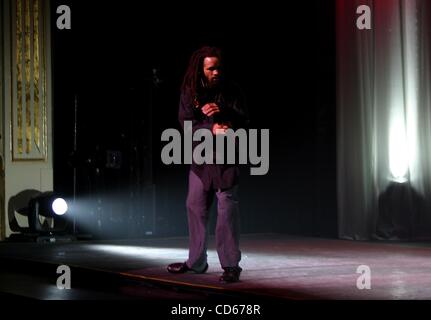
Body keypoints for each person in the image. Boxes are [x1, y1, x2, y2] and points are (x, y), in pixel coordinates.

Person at [167, 46, 249, 283]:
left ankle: (231, 265)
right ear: (200, 70)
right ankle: (196, 262)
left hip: (226, 161)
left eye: (218, 67)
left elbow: (245, 119)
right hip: (201, 161)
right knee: (195, 207)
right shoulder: (189, 92)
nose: (216, 72)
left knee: (227, 212)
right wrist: (210, 128)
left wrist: (226, 118)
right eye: (211, 68)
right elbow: (186, 126)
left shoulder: (232, 90)